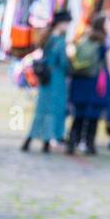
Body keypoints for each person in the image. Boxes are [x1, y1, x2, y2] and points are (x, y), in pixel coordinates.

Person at [66, 16, 110, 154]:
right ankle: (89, 143)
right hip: (98, 83)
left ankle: (72, 141)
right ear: (104, 25)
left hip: (81, 80)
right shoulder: (107, 43)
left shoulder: (86, 38)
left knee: (79, 113)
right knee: (94, 113)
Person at [22, 9, 71, 152]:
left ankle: (31, 139)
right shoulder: (60, 42)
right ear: (61, 24)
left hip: (46, 78)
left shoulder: (47, 38)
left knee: (42, 110)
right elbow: (63, 62)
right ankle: (46, 142)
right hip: (56, 79)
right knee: (54, 110)